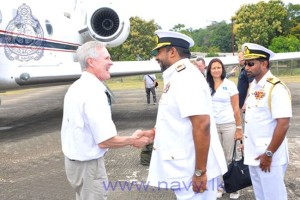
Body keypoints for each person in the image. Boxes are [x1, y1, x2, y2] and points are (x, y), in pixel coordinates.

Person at [60, 41, 154, 200]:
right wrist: (133, 140)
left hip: (74, 165)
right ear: (91, 61)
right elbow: (105, 141)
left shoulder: (76, 87)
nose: (111, 62)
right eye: (106, 58)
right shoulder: (93, 92)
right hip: (88, 167)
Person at [142, 30, 227, 200]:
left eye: (158, 52)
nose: (156, 57)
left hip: (192, 169)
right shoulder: (177, 77)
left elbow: (202, 125)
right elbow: (176, 118)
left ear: (172, 51)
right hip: (185, 167)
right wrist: (155, 132)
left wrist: (200, 172)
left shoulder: (186, 78)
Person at [242, 43, 292, 200]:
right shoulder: (256, 86)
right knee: (261, 196)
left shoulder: (275, 88)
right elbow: (255, 121)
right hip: (254, 154)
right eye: (245, 63)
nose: (246, 67)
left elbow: (283, 123)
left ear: (264, 63)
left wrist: (269, 154)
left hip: (269, 156)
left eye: (251, 63)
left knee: (274, 197)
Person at [206, 58, 243, 199]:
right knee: (216, 158)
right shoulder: (206, 85)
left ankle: (234, 187)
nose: (216, 70)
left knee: (231, 157)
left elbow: (235, 108)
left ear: (222, 69)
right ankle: (220, 186)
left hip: (229, 125)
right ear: (209, 70)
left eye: (218, 67)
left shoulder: (230, 85)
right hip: (212, 126)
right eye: (213, 68)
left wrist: (239, 127)